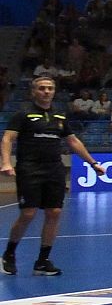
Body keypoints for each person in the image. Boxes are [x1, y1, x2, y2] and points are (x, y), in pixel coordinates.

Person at [2, 76, 106, 276]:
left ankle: (42, 261)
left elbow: (73, 141)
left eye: (50, 88)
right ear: (34, 92)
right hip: (29, 169)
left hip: (54, 170)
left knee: (54, 213)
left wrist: (93, 163)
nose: (46, 91)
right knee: (28, 213)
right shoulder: (23, 114)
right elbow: (7, 138)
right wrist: (6, 162)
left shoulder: (60, 117)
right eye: (42, 88)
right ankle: (9, 254)